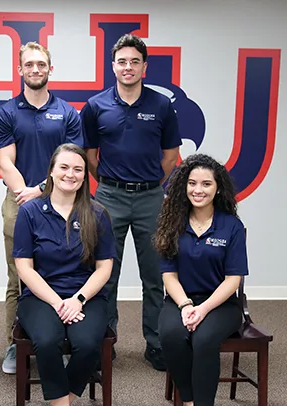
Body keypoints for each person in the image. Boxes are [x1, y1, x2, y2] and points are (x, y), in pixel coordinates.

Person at [81, 34, 182, 371]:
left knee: (155, 275)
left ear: (144, 67)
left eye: (134, 61)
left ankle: (155, 344)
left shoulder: (161, 106)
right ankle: (103, 342)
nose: (128, 67)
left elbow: (171, 157)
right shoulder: (96, 107)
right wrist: (112, 180)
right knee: (106, 274)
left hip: (151, 198)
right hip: (108, 197)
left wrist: (150, 182)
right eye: (122, 61)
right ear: (113, 66)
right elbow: (89, 156)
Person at [13, 143, 115, 406]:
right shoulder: (30, 212)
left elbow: (104, 268)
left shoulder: (98, 213)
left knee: (87, 344)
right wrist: (59, 302)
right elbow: (24, 267)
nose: (70, 174)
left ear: (85, 176)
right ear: (52, 172)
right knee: (47, 341)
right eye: (64, 168)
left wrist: (78, 299)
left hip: (86, 296)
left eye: (78, 169)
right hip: (41, 296)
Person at [0, 42, 83, 374]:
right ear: (20, 70)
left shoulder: (69, 113)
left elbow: (73, 162)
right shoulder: (6, 114)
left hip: (64, 204)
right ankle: (16, 345)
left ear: (50, 69)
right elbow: (5, 161)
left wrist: (44, 190)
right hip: (19, 204)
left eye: (41, 64)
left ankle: (62, 340)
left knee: (63, 273)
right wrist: (28, 194)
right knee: (19, 276)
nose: (35, 69)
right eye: (28, 64)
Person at [154, 154, 248, 406]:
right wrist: (185, 305)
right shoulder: (171, 221)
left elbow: (233, 279)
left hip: (221, 303)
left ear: (218, 188)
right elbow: (168, 275)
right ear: (183, 187)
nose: (199, 189)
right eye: (192, 183)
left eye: (206, 184)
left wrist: (203, 308)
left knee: (204, 339)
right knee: (168, 335)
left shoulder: (231, 226)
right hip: (182, 299)